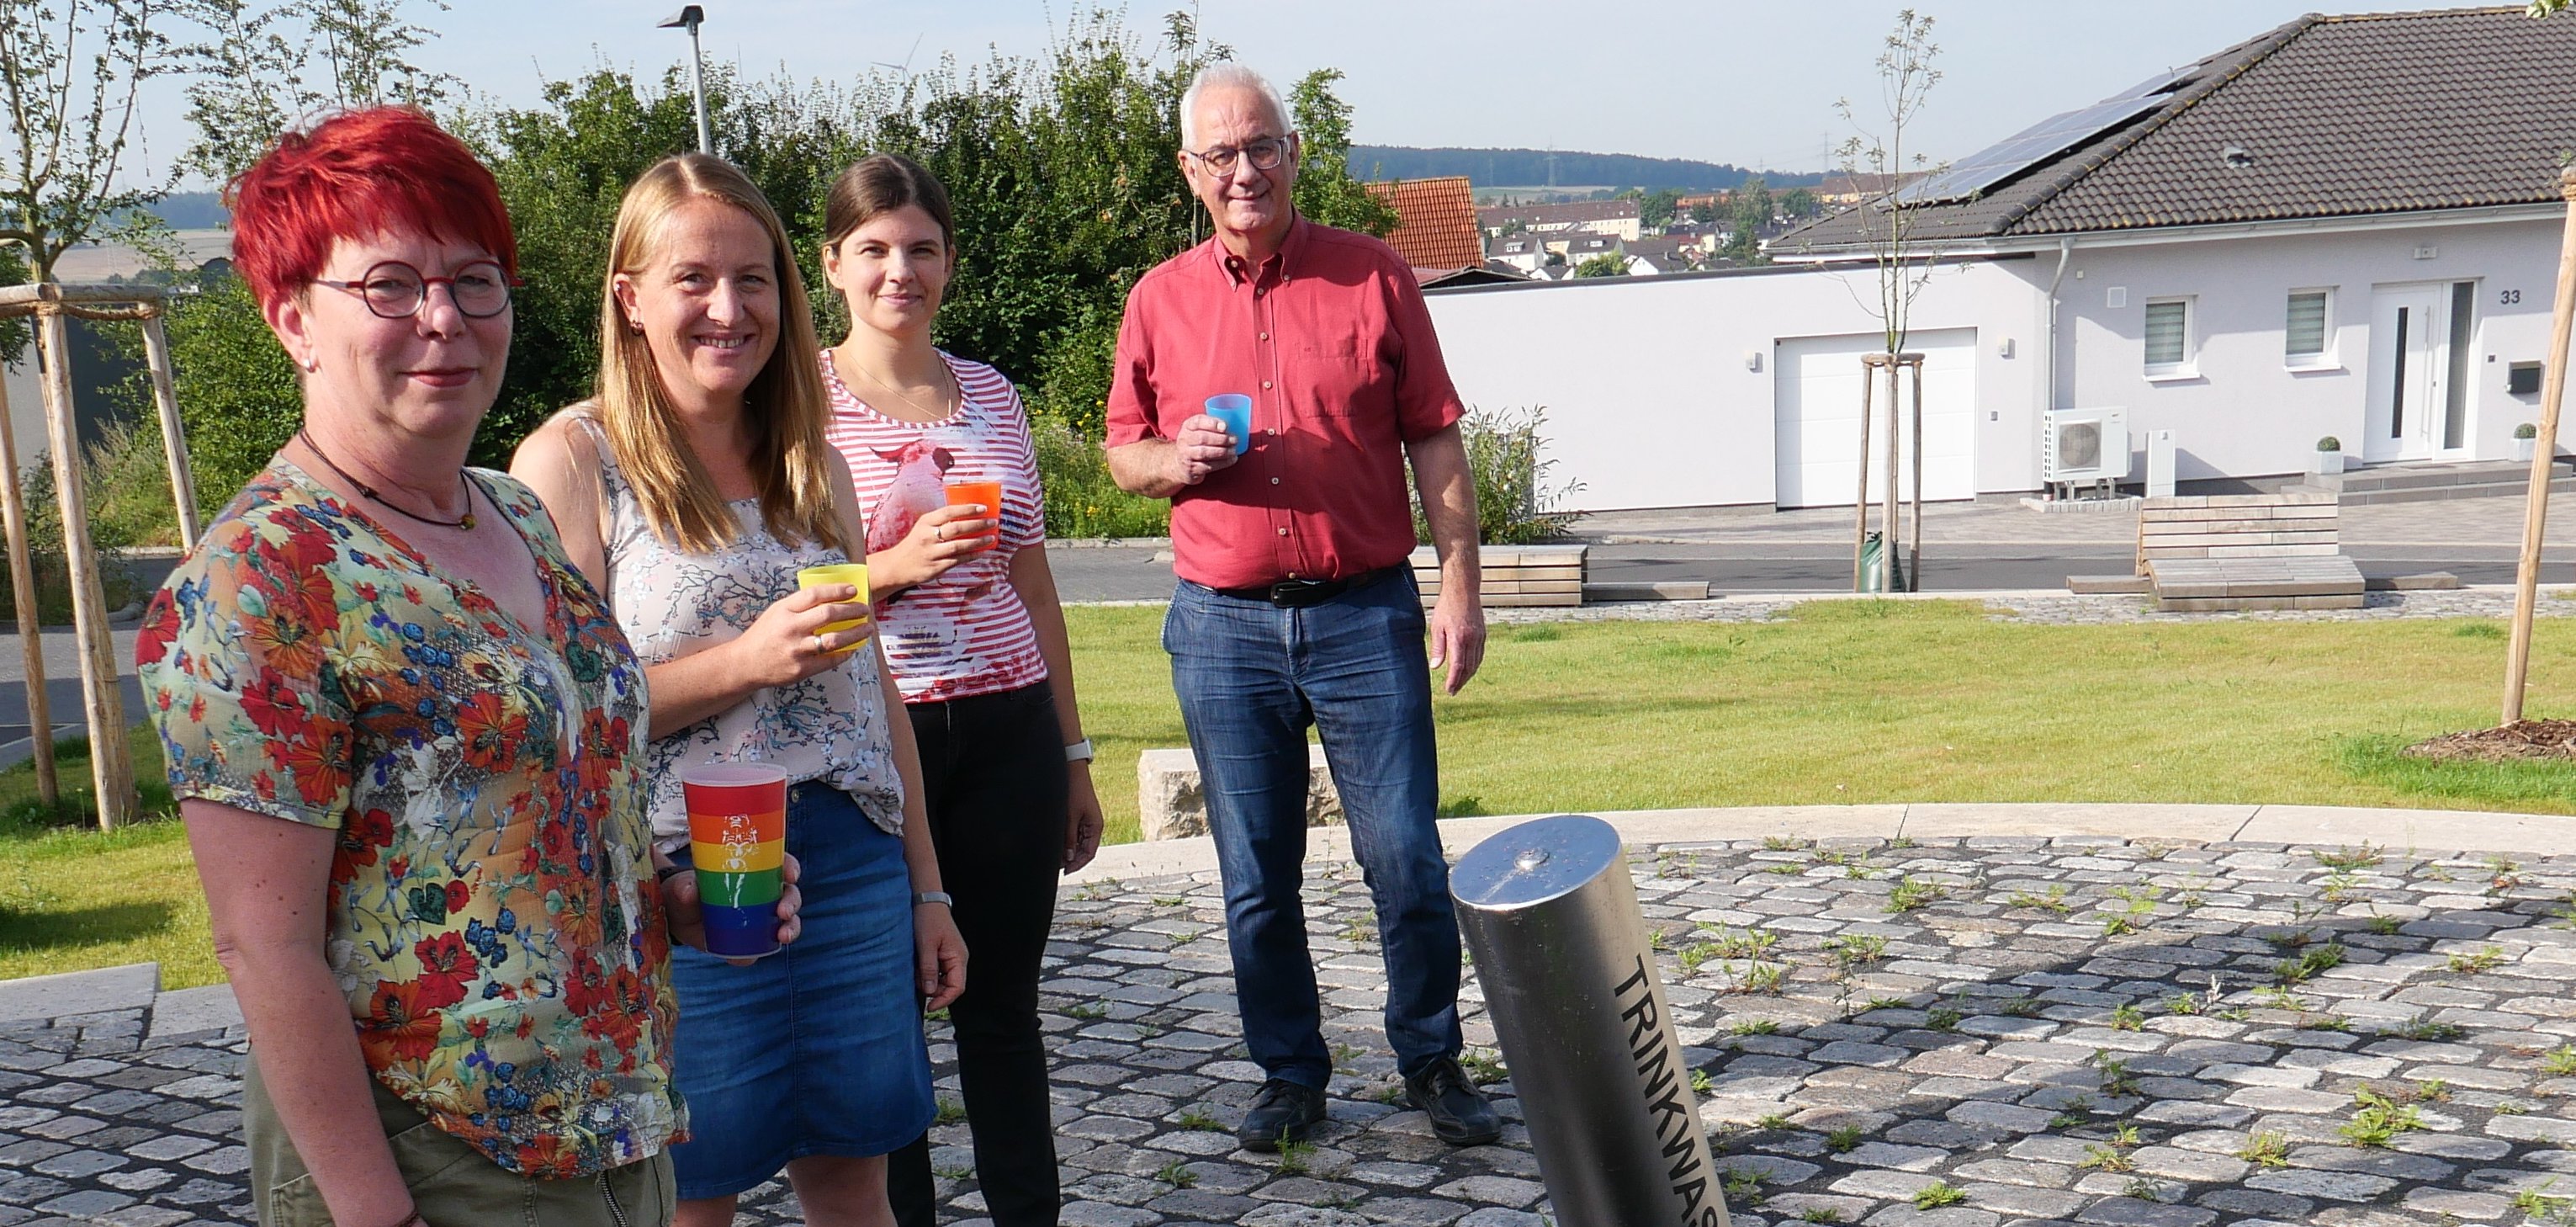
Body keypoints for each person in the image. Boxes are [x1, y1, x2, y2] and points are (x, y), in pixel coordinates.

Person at [137, 108, 804, 1227]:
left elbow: (545, 801)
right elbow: (267, 946)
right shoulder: (261, 581)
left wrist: (669, 902)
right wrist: (374, 1211)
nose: (443, 318)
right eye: (389, 285)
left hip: (613, 1120)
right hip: (430, 1153)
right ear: (291, 315)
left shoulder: (514, 512)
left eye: (473, 279)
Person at [510, 153, 965, 1227]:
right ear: (629, 298)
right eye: (693, 280)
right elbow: (557, 723)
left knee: (858, 1180)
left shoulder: (813, 460)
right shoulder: (573, 464)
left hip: (853, 862)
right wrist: (744, 663)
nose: (729, 308)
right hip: (681, 886)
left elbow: (872, 694)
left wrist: (928, 891)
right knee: (690, 1194)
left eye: (753, 279)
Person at [1103, 63, 1498, 1152]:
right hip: (1221, 627)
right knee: (1254, 879)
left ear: (1292, 152)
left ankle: (1429, 1056)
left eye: (1261, 146)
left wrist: (1458, 586)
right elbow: (1119, 454)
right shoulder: (1157, 300)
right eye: (1220, 155)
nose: (1245, 170)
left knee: (1406, 858)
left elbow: (1434, 435)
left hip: (1363, 612)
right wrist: (1167, 457)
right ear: (1190, 173)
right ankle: (1289, 1074)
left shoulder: (1373, 277)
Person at [812, 152, 1105, 1227]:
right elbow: (780, 590)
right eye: (876, 250)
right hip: (874, 737)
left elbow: (1031, 580)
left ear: (948, 261)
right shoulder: (798, 400)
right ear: (833, 264)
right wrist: (892, 566)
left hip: (1008, 727)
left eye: (922, 249)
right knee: (886, 1022)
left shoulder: (990, 394)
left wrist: (1072, 755)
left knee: (1004, 1013)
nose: (901, 271)